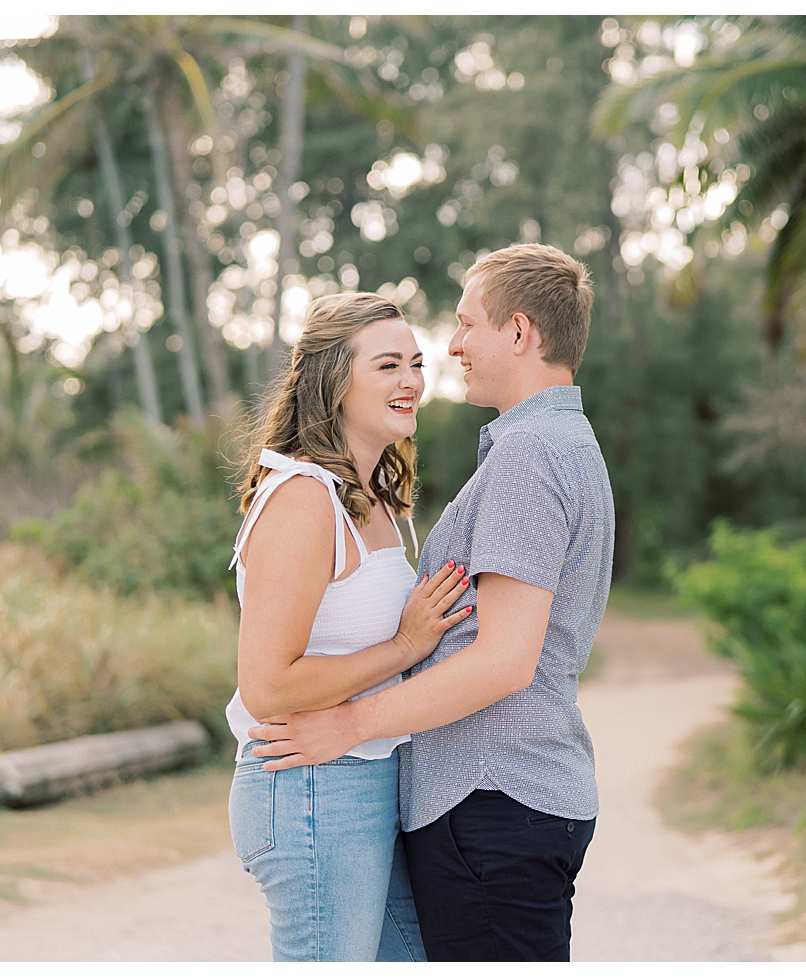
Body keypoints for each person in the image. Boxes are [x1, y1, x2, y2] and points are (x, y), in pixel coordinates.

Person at [248, 244, 615, 962]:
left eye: (465, 324)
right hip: (503, 802)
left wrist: (350, 724)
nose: (450, 348)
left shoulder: (528, 454)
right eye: (394, 361)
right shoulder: (563, 443)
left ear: (518, 332)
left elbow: (505, 660)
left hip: (494, 800)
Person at [225, 291, 473, 962]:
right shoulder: (304, 498)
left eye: (416, 363)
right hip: (312, 792)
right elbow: (267, 685)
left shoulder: (376, 499)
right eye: (388, 364)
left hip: (368, 787)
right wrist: (403, 646)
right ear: (334, 380)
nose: (412, 381)